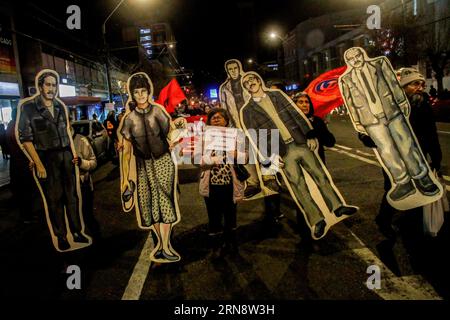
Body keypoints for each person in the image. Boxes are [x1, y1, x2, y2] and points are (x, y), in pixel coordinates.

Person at [240, 72, 357, 238]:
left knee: (320, 175)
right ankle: (317, 220)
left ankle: (337, 207)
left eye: (252, 79)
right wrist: (270, 156)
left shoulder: (277, 95)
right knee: (298, 186)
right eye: (247, 82)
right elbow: (255, 136)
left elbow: (295, 114)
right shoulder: (247, 110)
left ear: (259, 81)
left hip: (300, 142)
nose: (250, 82)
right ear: (245, 88)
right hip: (281, 151)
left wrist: (309, 133)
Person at [339, 47, 439, 203]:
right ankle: (403, 182)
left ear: (362, 55)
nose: (355, 60)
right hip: (370, 120)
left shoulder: (379, 64)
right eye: (351, 59)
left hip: (392, 111)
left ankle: (421, 178)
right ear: (348, 62)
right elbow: (350, 103)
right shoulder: (346, 79)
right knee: (387, 151)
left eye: (357, 56)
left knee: (406, 144)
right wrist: (358, 123)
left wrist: (401, 101)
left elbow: (393, 83)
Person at [17, 70, 89, 251]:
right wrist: (38, 164)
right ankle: (61, 236)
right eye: (47, 85)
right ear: (40, 86)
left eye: (54, 85)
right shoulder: (28, 107)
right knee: (54, 200)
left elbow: (67, 132)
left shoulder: (59, 106)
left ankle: (77, 231)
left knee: (72, 197)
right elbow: (25, 139)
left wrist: (73, 154)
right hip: (47, 158)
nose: (51, 88)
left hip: (65, 156)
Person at [366, 68, 443, 237]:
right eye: (415, 84)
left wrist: (436, 159)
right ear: (403, 86)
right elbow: (377, 131)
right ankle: (384, 219)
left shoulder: (423, 105)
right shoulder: (390, 107)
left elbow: (431, 134)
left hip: (418, 156)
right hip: (395, 157)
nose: (420, 87)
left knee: (419, 186)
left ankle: (409, 223)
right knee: (394, 187)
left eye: (422, 84)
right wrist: (368, 137)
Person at [120, 73, 180, 263]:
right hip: (142, 164)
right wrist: (124, 179)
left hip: (162, 160)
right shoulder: (128, 119)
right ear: (132, 94)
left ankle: (165, 246)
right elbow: (126, 151)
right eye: (136, 92)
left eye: (143, 91)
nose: (140, 95)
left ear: (148, 92)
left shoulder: (158, 111)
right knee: (146, 203)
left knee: (164, 200)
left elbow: (171, 132)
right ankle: (160, 246)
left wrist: (174, 138)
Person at [198, 109, 246, 256]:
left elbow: (245, 157)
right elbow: (196, 159)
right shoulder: (203, 137)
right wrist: (212, 160)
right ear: (209, 121)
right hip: (211, 185)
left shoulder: (236, 136)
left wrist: (234, 153)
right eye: (213, 117)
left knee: (231, 216)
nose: (216, 119)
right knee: (214, 217)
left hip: (230, 185)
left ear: (226, 120)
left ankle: (232, 244)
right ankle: (216, 246)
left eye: (220, 117)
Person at [71, 125, 101, 240]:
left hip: (83, 186)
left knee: (87, 216)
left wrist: (81, 162)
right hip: (67, 188)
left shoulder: (81, 140)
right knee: (72, 217)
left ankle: (97, 240)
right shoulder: (56, 142)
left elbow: (93, 163)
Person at [293, 92, 336, 163]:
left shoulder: (317, 121)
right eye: (300, 102)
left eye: (307, 102)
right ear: (294, 105)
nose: (304, 105)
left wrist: (318, 132)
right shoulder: (290, 122)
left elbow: (331, 143)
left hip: (318, 165)